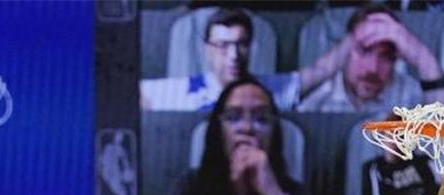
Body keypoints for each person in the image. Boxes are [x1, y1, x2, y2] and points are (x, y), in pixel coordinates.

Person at [140, 7, 352, 112]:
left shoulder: (270, 90)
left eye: (241, 45)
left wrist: (359, 36)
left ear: (250, 47)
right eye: (223, 46)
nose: (233, 56)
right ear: (208, 49)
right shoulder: (183, 91)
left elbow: (321, 70)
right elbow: (130, 92)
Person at [298, 3, 444, 113]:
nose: (373, 68)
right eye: (364, 51)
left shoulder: (412, 95)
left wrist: (424, 59)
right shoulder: (316, 100)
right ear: (345, 52)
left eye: (386, 56)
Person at [173, 78, 309, 195]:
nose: (247, 128)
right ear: (218, 129)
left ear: (274, 132)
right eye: (233, 118)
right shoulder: (189, 188)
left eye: (261, 119)